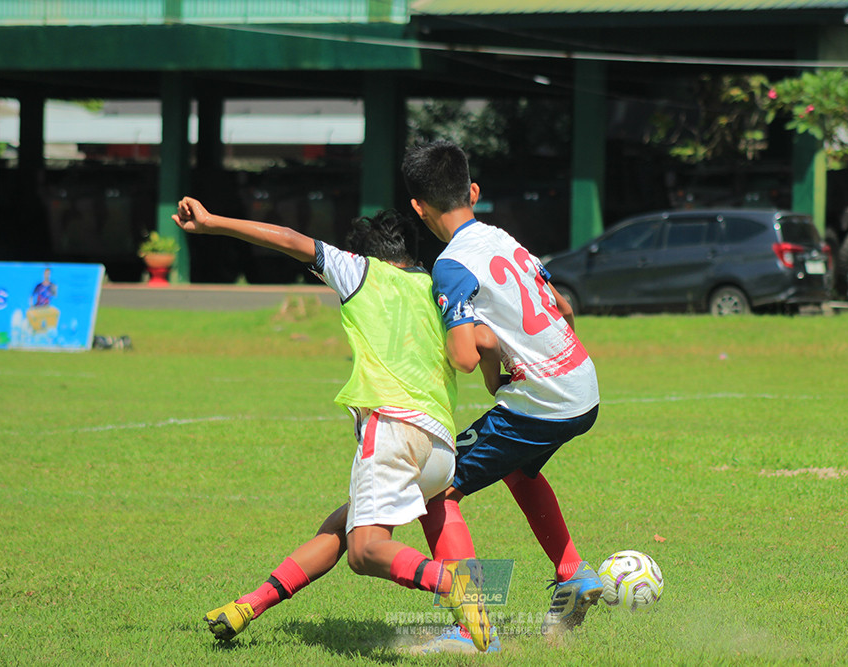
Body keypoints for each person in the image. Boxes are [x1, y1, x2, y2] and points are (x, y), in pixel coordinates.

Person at [172, 197, 494, 653]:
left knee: (364, 551)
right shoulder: (435, 288)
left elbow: (289, 240)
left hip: (393, 431)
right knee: (342, 528)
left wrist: (213, 223)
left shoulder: (361, 270)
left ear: (367, 254)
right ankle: (249, 605)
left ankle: (456, 587)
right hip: (440, 448)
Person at [401, 140, 603, 638]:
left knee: (434, 491)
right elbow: (565, 308)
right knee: (518, 470)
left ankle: (474, 628)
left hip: (541, 404)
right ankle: (572, 572)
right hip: (584, 384)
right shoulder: (506, 239)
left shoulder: (450, 266)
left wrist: (483, 345)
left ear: (417, 207)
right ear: (473, 191)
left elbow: (465, 358)